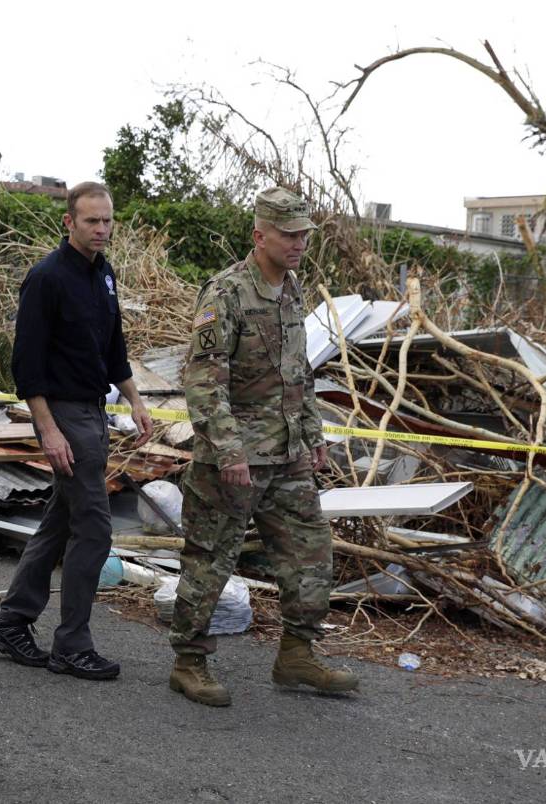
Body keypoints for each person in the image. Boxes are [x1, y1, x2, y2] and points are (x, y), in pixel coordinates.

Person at [168, 187, 358, 707]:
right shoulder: (226, 293)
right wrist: (229, 451)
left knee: (311, 555)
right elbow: (204, 382)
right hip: (235, 460)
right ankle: (189, 662)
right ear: (260, 235)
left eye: (303, 235)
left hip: (288, 453)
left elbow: (300, 373)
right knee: (210, 560)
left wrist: (313, 436)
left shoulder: (293, 289)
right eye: (289, 234)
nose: (299, 244)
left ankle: (297, 654)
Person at [0, 181, 153, 681]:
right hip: (64, 415)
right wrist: (48, 430)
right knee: (94, 528)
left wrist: (136, 400)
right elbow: (25, 363)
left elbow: (113, 346)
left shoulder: (104, 275)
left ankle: (11, 621)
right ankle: (72, 645)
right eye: (91, 221)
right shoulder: (47, 278)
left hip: (94, 410)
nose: (101, 229)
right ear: (69, 222)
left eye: (107, 221)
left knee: (61, 519)